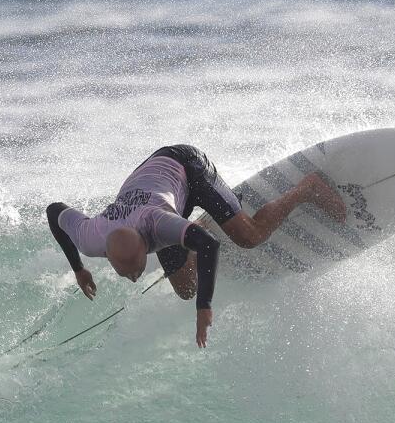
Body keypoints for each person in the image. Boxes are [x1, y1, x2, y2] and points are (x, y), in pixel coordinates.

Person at [46, 144, 346, 347]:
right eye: (126, 273)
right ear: (107, 256)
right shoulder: (90, 237)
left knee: (248, 237)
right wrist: (78, 268)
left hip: (187, 168)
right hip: (151, 181)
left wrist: (205, 307)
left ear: (146, 247)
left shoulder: (158, 224)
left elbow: (210, 246)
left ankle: (308, 188)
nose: (134, 277)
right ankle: (191, 227)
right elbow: (54, 211)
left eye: (136, 268)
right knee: (185, 288)